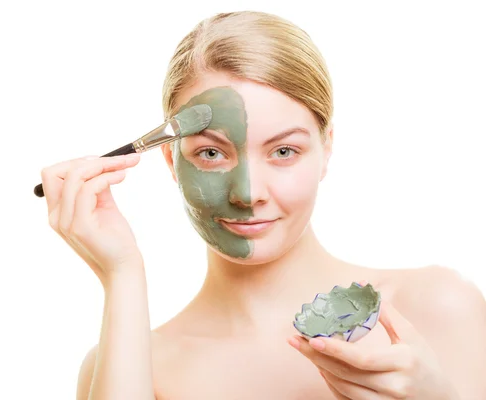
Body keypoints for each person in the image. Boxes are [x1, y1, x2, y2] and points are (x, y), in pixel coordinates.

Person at [40, 10, 486, 400]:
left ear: (326, 149)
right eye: (211, 153)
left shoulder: (436, 308)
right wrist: (122, 275)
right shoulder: (133, 362)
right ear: (172, 162)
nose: (248, 192)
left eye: (283, 151)